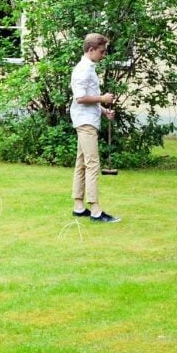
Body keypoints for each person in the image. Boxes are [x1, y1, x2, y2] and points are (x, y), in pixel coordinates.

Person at [71, 33, 120, 223]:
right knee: (93, 164)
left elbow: (88, 97)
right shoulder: (83, 69)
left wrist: (103, 110)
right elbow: (80, 98)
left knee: (81, 163)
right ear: (91, 50)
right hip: (85, 122)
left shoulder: (89, 68)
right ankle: (96, 210)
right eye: (101, 51)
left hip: (88, 118)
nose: (103, 55)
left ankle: (78, 206)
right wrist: (103, 99)